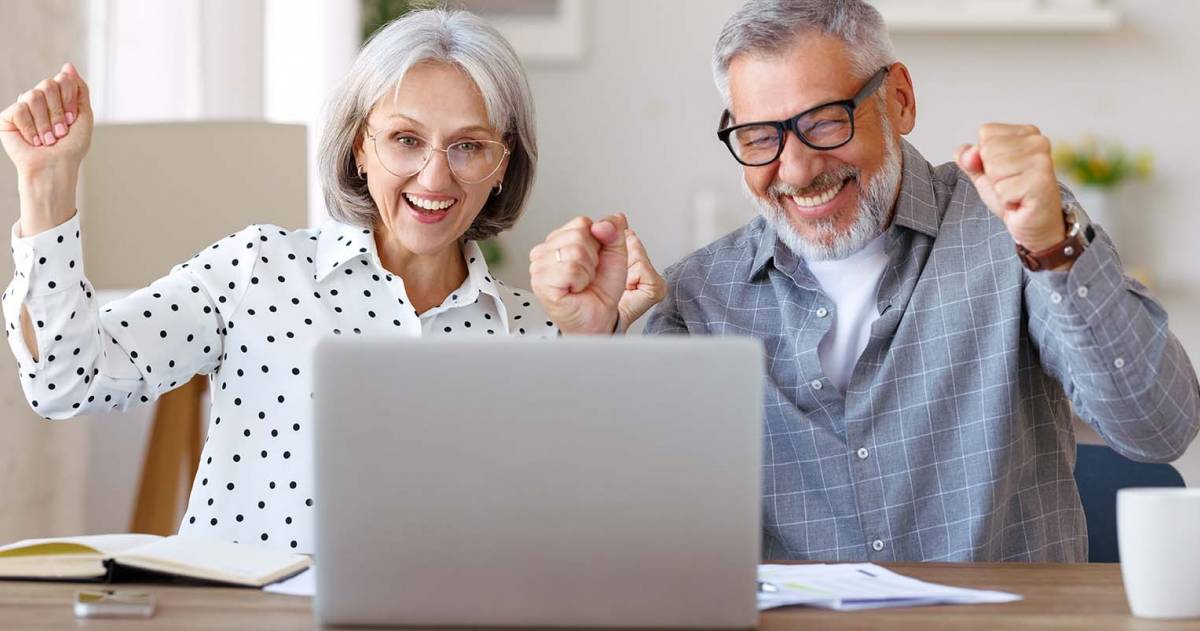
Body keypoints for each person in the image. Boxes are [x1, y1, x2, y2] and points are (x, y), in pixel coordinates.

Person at [530, 0, 1200, 562]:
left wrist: (1055, 245)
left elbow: (1159, 427)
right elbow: (614, 543)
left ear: (899, 100)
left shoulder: (1014, 236)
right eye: (760, 136)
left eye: (824, 121)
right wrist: (595, 345)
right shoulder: (698, 297)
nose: (794, 170)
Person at [0, 8, 662, 553]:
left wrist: (596, 341)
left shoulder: (546, 327)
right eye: (405, 139)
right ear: (359, 147)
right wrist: (47, 183)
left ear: (501, 164)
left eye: (468, 145)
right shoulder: (255, 270)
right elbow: (64, 381)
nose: (435, 178)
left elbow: (602, 541)